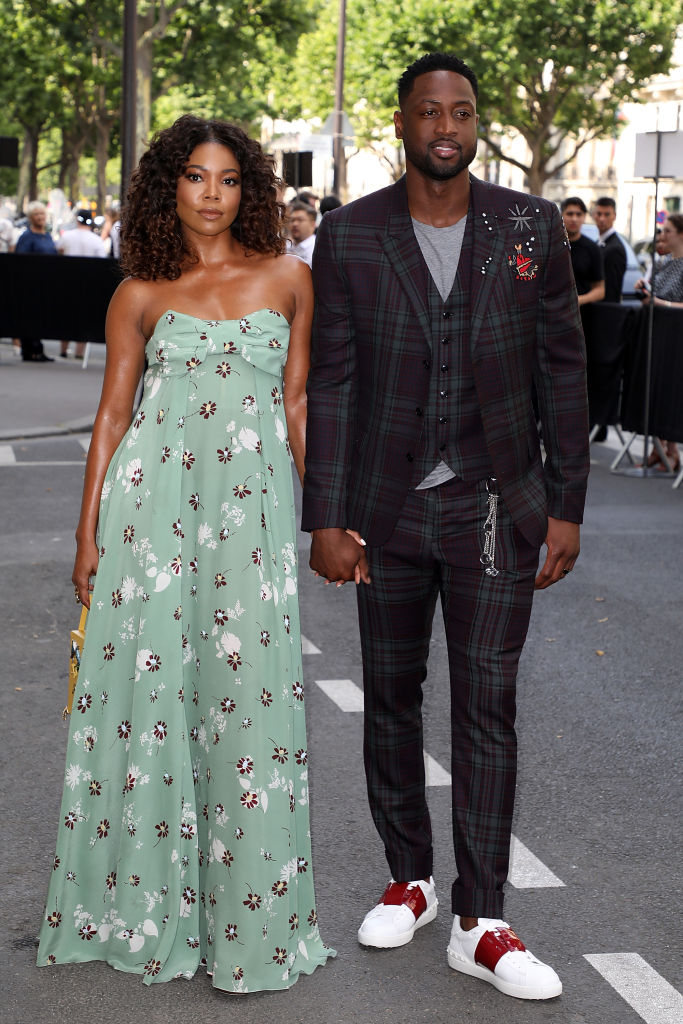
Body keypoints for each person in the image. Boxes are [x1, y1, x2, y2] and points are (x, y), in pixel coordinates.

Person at [303, 52, 589, 1002]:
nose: (445, 127)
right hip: (383, 514)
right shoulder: (347, 236)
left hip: (494, 505)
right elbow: (333, 385)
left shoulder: (528, 225)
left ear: (476, 123)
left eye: (461, 112)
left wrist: (566, 505)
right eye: (429, 111)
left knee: (487, 704)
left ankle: (481, 917)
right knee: (389, 696)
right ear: (402, 123)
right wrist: (329, 518)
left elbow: (563, 368)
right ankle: (410, 878)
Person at [37, 114, 334, 992]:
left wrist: (329, 516)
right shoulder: (138, 291)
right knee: (150, 698)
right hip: (149, 521)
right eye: (197, 178)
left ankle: (250, 919)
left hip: (252, 530)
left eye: (230, 179)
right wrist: (87, 533)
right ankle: (137, 906)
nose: (213, 195)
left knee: (245, 704)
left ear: (252, 191)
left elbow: (297, 406)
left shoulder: (289, 280)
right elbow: (110, 419)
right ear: (170, 186)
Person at [633, 212, 683, 472]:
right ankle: (661, 449)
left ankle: (670, 451)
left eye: (668, 231)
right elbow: (657, 291)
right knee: (659, 387)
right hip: (659, 331)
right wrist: (645, 287)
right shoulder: (665, 262)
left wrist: (661, 303)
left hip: (676, 335)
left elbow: (671, 301)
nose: (662, 235)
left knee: (671, 388)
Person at [58, 208, 108, 358]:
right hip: (88, 285)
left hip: (67, 282)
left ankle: (63, 349)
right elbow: (101, 261)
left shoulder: (67, 236)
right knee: (84, 316)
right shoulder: (96, 240)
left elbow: (59, 252)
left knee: (65, 316)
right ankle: (80, 352)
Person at [13, 200, 58, 361]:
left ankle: (38, 348)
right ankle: (30, 349)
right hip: (30, 284)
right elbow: (21, 259)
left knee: (40, 315)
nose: (40, 217)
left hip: (46, 283)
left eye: (42, 214)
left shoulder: (47, 236)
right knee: (29, 314)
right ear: (31, 218)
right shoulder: (27, 236)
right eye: (36, 214)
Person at [560, 197, 604, 305]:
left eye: (578, 214)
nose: (574, 219)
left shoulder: (592, 249)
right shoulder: (551, 246)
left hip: (582, 316)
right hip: (552, 315)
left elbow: (600, 290)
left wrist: (577, 301)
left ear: (584, 217)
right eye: (570, 214)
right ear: (561, 216)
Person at [591, 197, 626, 303]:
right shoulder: (599, 242)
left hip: (604, 311)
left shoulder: (615, 249)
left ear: (614, 216)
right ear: (594, 215)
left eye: (607, 214)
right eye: (599, 214)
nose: (602, 219)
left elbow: (611, 291)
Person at [286, 200, 317, 267]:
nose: (294, 224)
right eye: (292, 220)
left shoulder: (317, 249)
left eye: (300, 220)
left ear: (312, 224)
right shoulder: (286, 246)